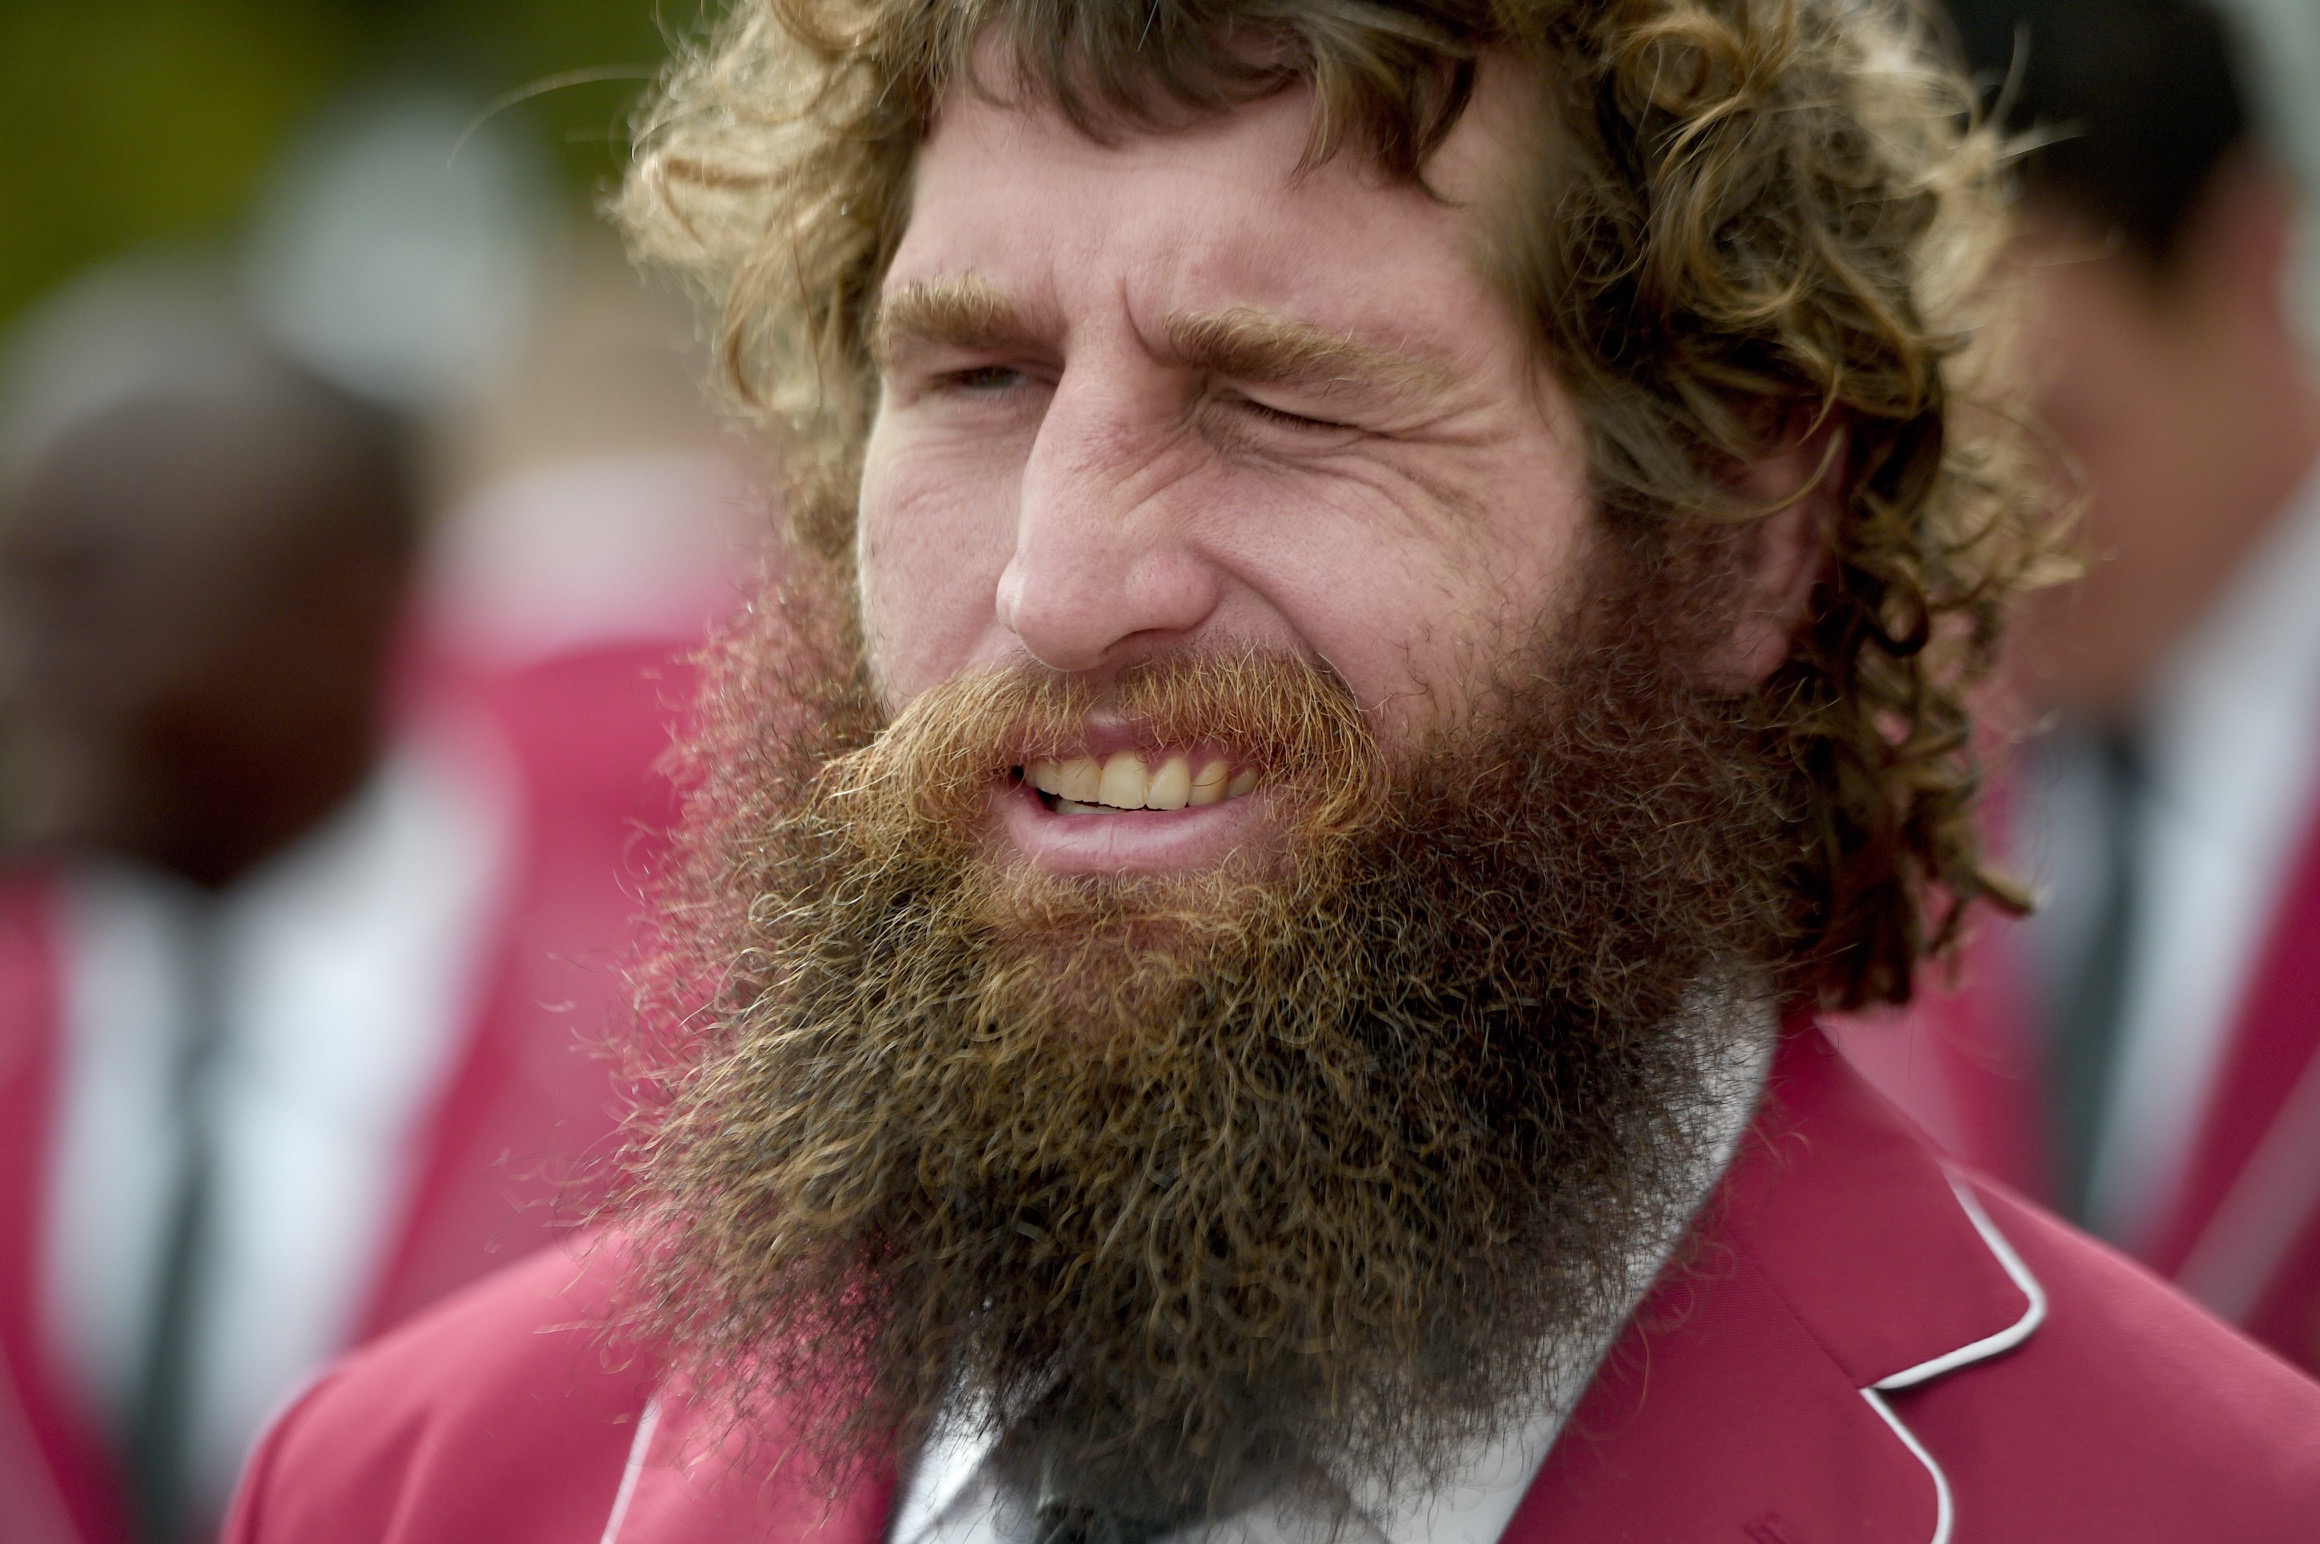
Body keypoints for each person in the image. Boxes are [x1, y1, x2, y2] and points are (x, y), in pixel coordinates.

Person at [221, 3, 2320, 1542]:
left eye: (1279, 404)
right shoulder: (413, 1486)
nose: (1059, 583)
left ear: (1737, 547)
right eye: (973, 378)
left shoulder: (2192, 1506)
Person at [0, 264, 710, 1544]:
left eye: (84, 597)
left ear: (345, 601)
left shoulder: (664, 1046)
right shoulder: (22, 1014)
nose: (18, 668)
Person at [1829, 0, 2320, 1376]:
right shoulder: (1885, 768)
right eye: (1938, 461)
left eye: (2056, 429)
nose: (1996, 545)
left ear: (2249, 255)